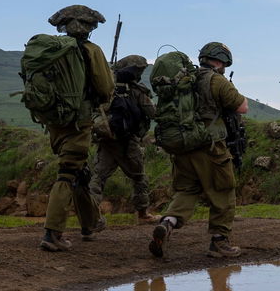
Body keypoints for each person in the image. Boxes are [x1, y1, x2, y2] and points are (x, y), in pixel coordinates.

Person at [148, 41, 249, 259]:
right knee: (223, 191)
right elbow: (242, 107)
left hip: (182, 146)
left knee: (187, 191)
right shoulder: (216, 80)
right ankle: (219, 242)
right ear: (221, 60)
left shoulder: (185, 81)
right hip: (210, 147)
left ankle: (167, 224)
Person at [39, 5, 114, 252]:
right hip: (79, 121)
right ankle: (52, 234)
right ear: (89, 28)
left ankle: (90, 224)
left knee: (81, 171)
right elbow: (104, 88)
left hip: (54, 121)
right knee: (68, 173)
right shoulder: (91, 51)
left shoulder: (50, 50)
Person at [89, 54, 157, 223]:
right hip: (127, 142)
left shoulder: (105, 88)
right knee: (139, 177)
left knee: (97, 178)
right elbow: (153, 113)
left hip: (107, 140)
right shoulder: (136, 90)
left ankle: (90, 217)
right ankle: (143, 214)